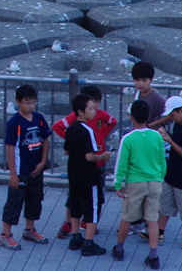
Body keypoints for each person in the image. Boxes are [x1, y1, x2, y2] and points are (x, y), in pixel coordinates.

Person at [51, 85, 117, 239]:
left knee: (96, 196)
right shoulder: (76, 119)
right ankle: (70, 223)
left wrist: (101, 136)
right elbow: (57, 127)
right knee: (75, 196)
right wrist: (73, 141)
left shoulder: (101, 115)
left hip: (97, 166)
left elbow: (112, 122)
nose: (94, 108)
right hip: (86, 164)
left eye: (96, 104)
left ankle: (87, 223)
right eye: (91, 105)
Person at [112, 100, 165, 269]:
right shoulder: (157, 136)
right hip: (155, 181)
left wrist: (117, 182)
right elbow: (162, 160)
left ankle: (119, 249)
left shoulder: (128, 138)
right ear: (149, 116)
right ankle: (153, 256)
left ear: (131, 117)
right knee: (152, 219)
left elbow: (121, 163)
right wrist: (160, 176)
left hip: (135, 182)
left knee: (127, 217)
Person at [142, 96, 182, 252]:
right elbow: (177, 143)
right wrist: (162, 131)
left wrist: (168, 139)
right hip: (172, 172)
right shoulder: (179, 123)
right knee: (165, 203)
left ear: (181, 111)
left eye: (172, 115)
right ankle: (159, 232)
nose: (170, 118)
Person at [0, 84, 51, 250]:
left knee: (35, 200)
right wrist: (13, 174)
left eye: (33, 102)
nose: (31, 106)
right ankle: (5, 235)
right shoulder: (14, 123)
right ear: (18, 102)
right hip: (21, 171)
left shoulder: (39, 118)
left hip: (36, 169)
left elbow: (45, 140)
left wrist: (43, 162)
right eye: (27, 102)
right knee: (14, 202)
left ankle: (29, 229)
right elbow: (10, 148)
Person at [63, 93, 112, 257]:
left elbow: (67, 149)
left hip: (73, 175)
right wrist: (103, 156)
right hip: (88, 176)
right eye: (90, 108)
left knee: (75, 206)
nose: (94, 110)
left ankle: (75, 238)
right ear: (81, 111)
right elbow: (89, 156)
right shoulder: (88, 130)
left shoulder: (70, 128)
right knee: (92, 208)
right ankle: (88, 243)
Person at [129, 61, 165, 236]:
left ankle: (145, 222)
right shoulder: (138, 95)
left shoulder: (156, 98)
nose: (140, 83)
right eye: (137, 80)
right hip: (137, 144)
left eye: (144, 80)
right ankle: (136, 221)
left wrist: (150, 125)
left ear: (151, 79)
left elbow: (169, 116)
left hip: (149, 145)